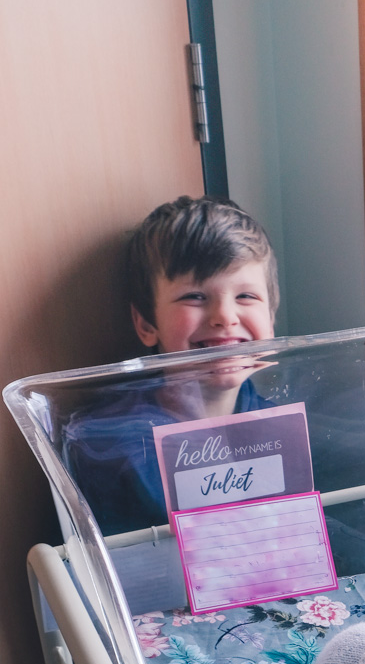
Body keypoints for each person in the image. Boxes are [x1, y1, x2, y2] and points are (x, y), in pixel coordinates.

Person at [62, 195, 279, 534]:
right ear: (147, 324)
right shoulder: (108, 447)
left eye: (246, 296)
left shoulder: (280, 426)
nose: (225, 316)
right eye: (195, 296)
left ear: (271, 318)